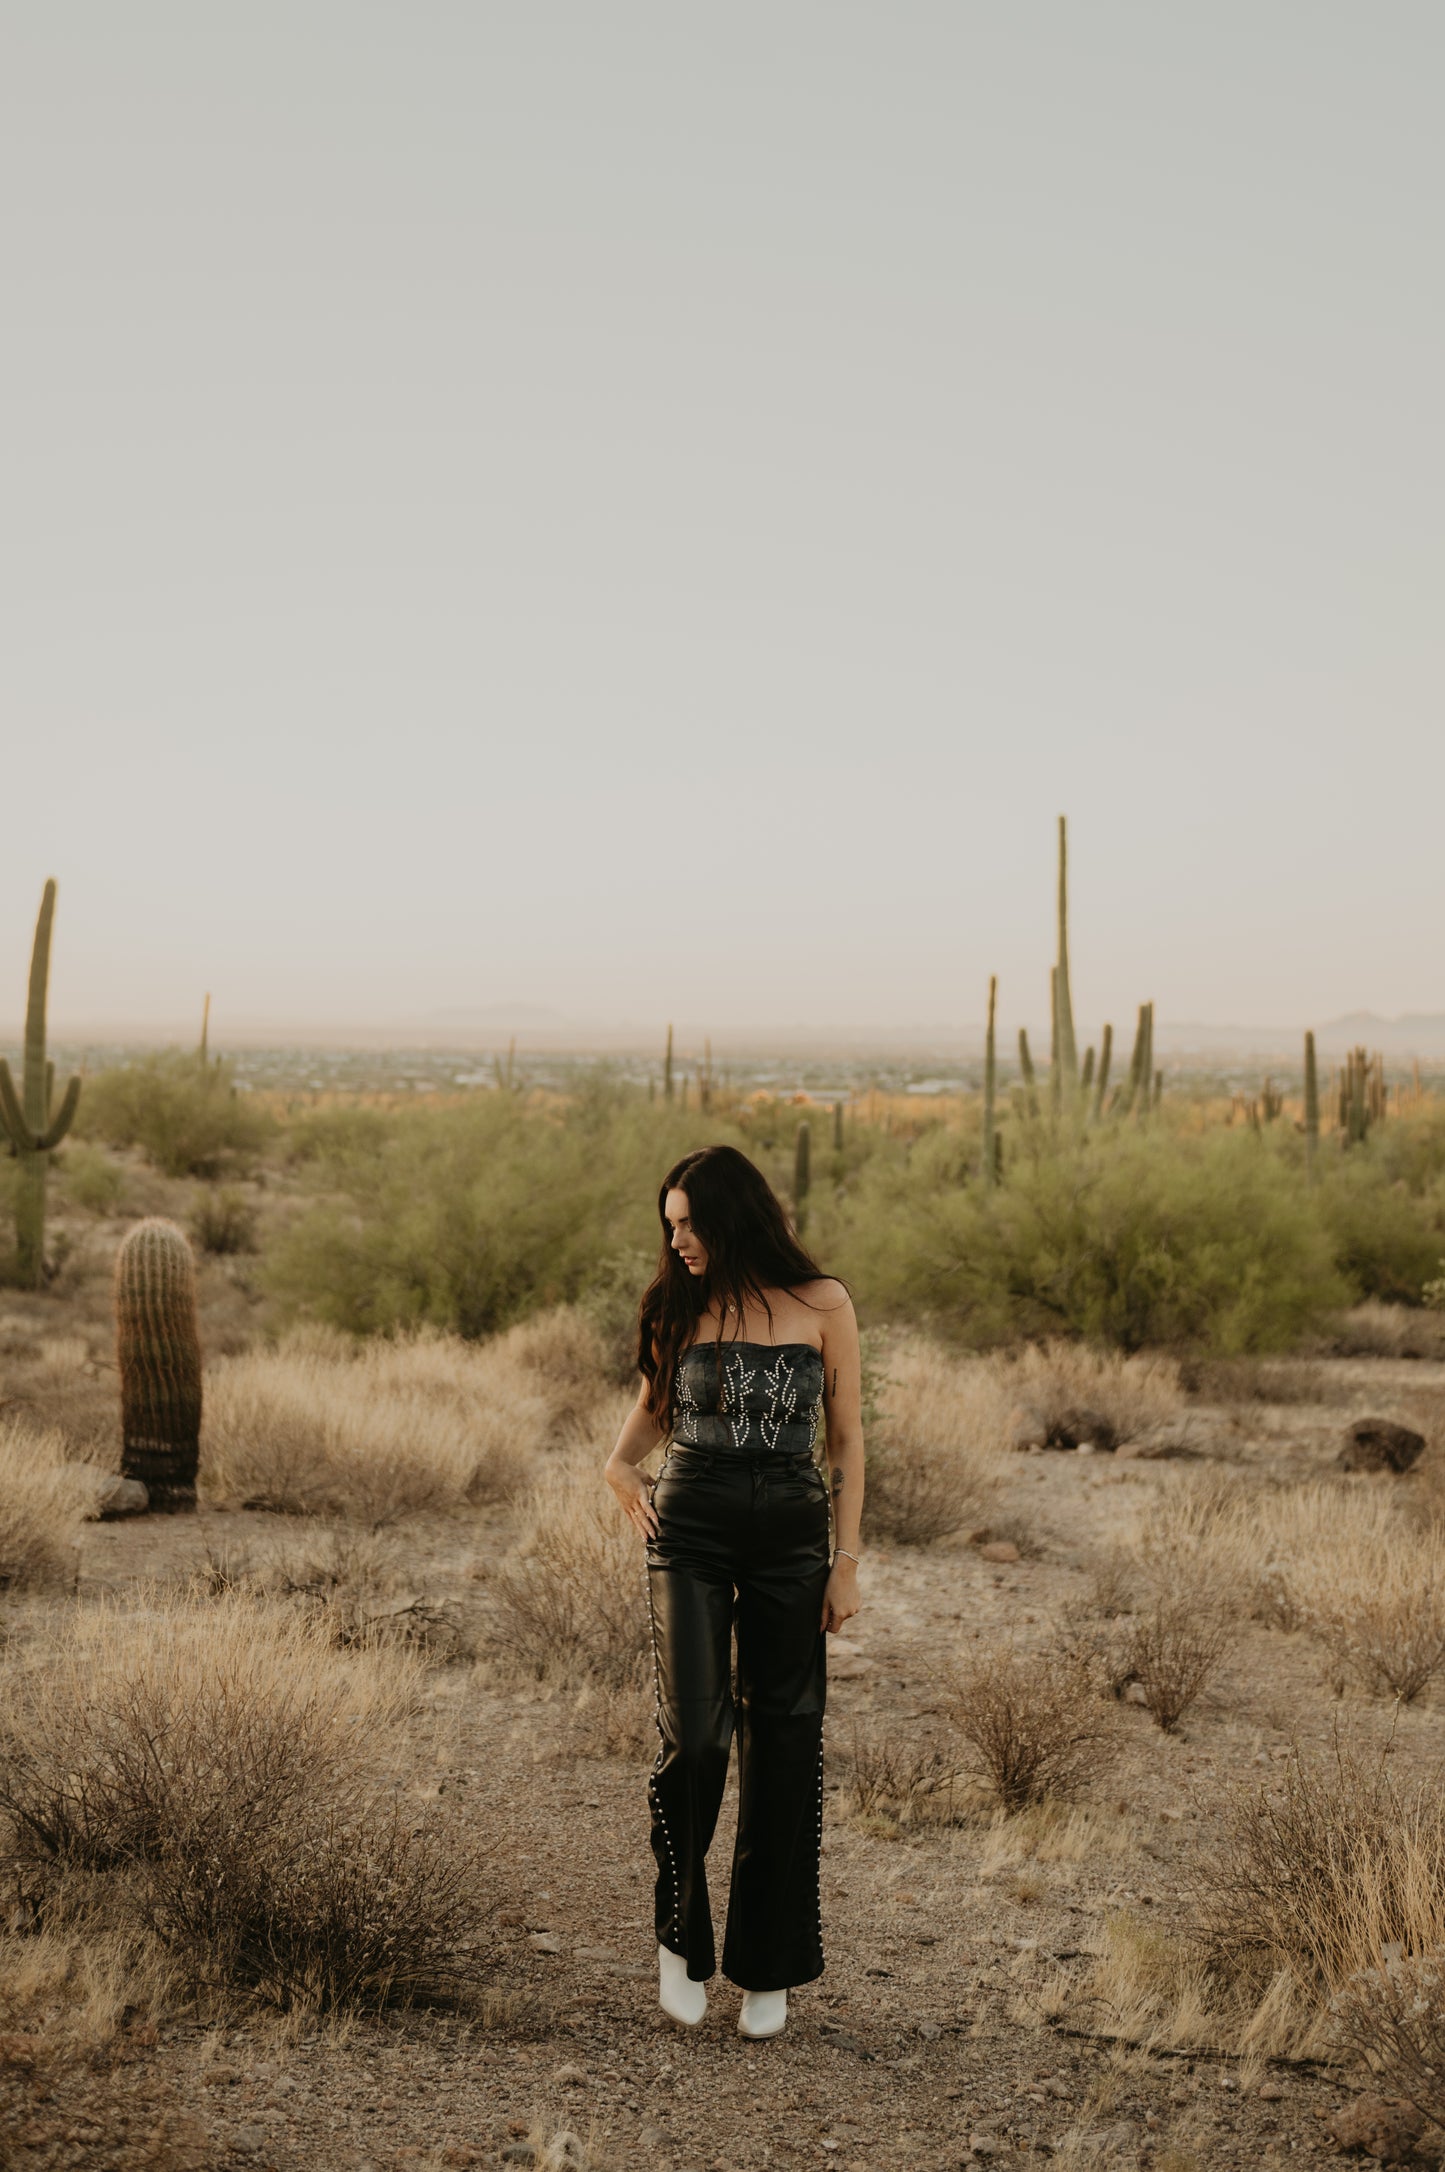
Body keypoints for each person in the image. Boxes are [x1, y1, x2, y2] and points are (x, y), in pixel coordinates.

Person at [604, 1142, 864, 2040]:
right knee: (701, 1737)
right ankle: (679, 1937)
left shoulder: (824, 1303)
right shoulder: (678, 1306)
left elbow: (847, 1441)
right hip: (693, 1531)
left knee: (786, 1741)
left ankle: (768, 1963)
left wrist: (848, 1558)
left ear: (731, 1216)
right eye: (667, 1225)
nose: (675, 1241)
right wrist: (617, 1475)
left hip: (795, 1538)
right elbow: (643, 1423)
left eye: (688, 1223)